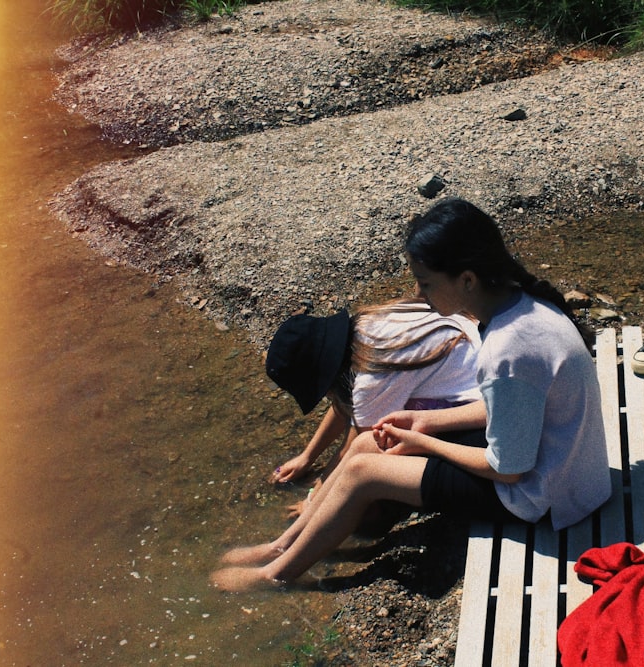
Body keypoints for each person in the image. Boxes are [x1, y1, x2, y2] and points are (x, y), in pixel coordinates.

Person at [211, 198, 611, 592]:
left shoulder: (506, 350)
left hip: (545, 497)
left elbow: (509, 470)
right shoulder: (523, 305)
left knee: (362, 473)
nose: (422, 295)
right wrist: (428, 421)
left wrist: (425, 443)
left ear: (467, 280)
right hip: (567, 469)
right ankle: (282, 544)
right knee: (369, 441)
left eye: (426, 283)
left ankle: (276, 574)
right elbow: (508, 410)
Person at [266, 297, 482, 501]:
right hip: (480, 355)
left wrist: (315, 497)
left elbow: (354, 450)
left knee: (380, 445)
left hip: (481, 411)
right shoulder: (367, 325)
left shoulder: (371, 380)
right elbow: (345, 407)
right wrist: (307, 457)